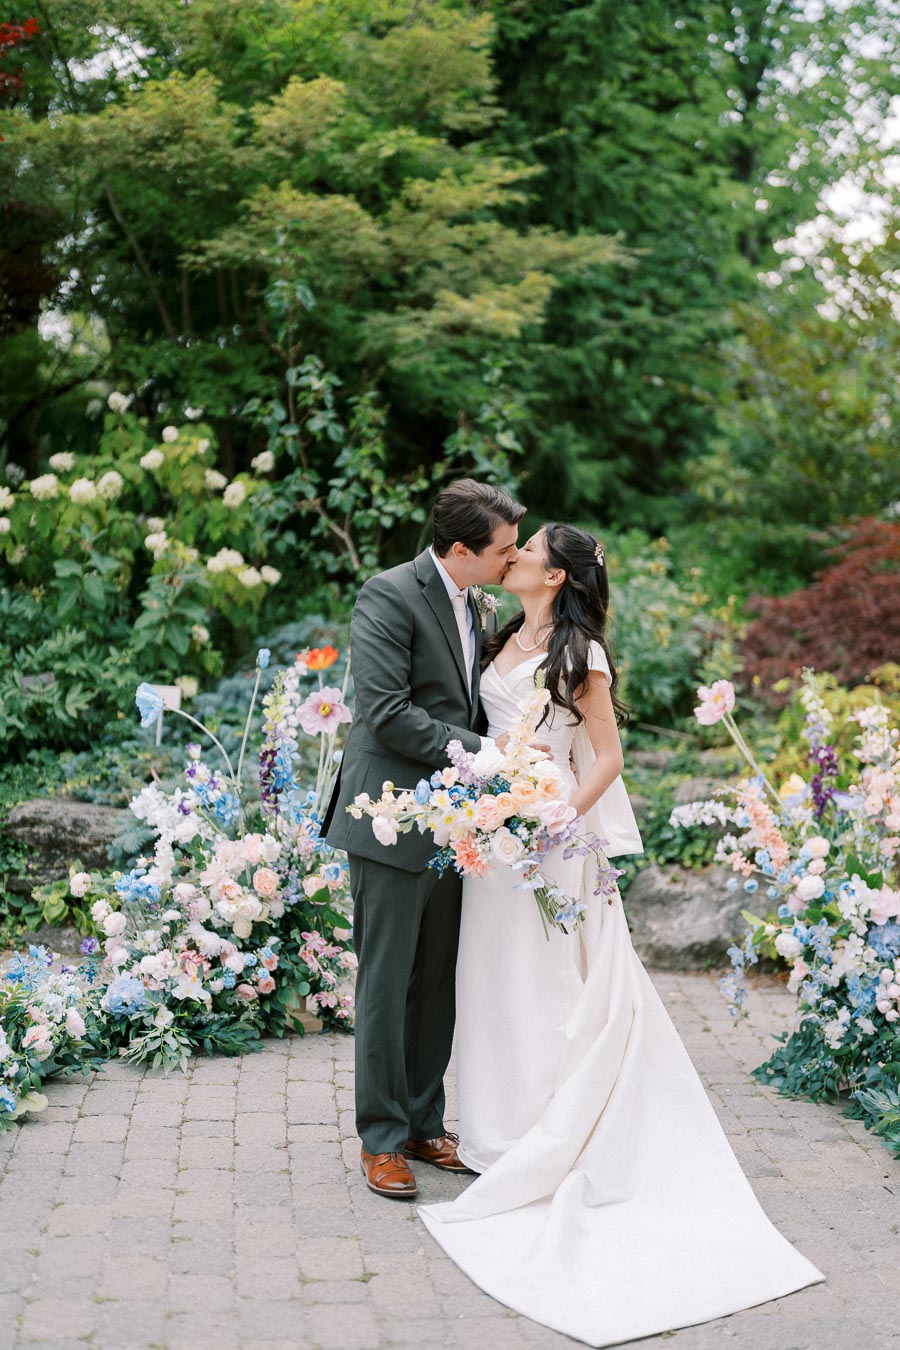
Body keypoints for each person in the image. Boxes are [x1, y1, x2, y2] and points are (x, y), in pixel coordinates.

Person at [418, 523, 825, 1348]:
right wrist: (493, 809)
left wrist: (554, 817)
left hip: (552, 838)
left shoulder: (582, 655)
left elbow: (607, 759)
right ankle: (496, 1132)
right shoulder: (499, 635)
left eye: (529, 549)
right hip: (495, 838)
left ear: (558, 574)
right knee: (489, 980)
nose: (516, 557)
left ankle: (549, 1130)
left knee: (546, 984)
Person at [322, 478, 526, 1199]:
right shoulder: (389, 594)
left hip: (456, 824)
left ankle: (422, 1122)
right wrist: (485, 753)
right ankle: (379, 1141)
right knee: (387, 981)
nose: (513, 559)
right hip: (391, 815)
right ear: (461, 549)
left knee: (437, 977)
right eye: (502, 550)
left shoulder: (476, 597)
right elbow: (385, 712)